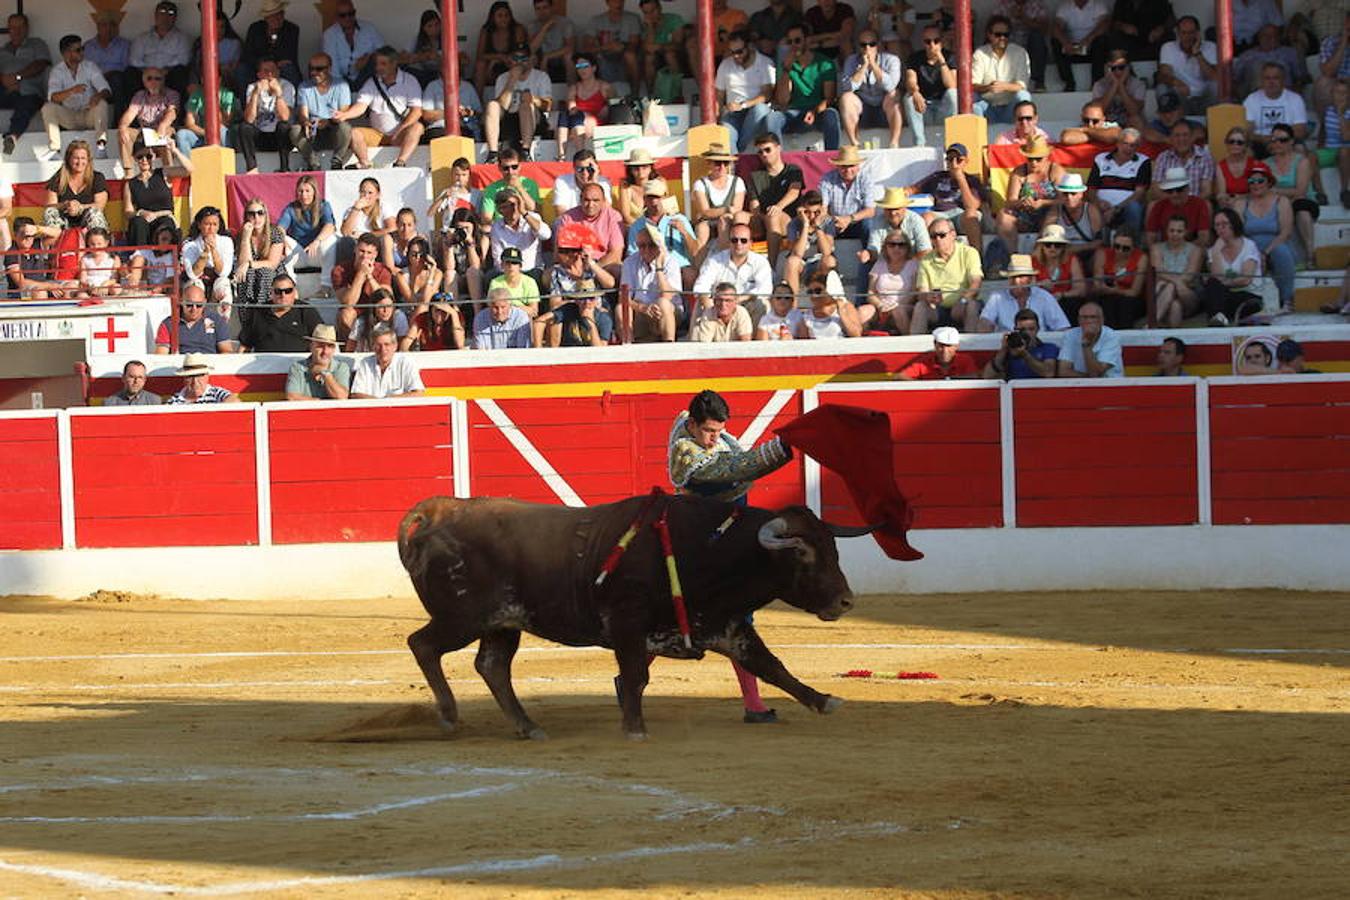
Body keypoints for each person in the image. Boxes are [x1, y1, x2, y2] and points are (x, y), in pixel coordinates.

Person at [665, 389, 795, 724]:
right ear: (693, 425)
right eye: (708, 432)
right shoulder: (685, 451)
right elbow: (732, 469)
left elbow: (736, 456)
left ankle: (753, 704)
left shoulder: (712, 435)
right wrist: (780, 450)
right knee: (681, 618)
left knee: (738, 617)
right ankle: (631, 680)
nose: (713, 439)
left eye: (718, 432)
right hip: (701, 546)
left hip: (730, 541)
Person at [338, 46, 424, 169]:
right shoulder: (371, 82)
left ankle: (400, 162)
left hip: (401, 134)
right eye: (377, 64)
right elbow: (361, 106)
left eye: (383, 64)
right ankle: (364, 162)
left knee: (418, 127)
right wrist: (344, 115)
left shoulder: (410, 81)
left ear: (394, 64)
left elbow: (417, 111)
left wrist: (401, 129)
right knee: (354, 132)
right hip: (378, 135)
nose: (378, 68)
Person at [1231, 162, 1294, 311]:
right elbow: (1237, 232)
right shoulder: (1241, 203)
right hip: (1249, 246)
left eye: (1260, 180)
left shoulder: (1281, 201)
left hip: (1276, 244)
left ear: (1269, 182)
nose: (1255, 184)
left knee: (1281, 252)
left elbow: (1286, 232)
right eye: (1251, 181)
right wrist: (1253, 252)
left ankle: (1287, 299)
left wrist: (1265, 253)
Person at [42, 34, 111, 161]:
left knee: (102, 104)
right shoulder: (57, 71)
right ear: (67, 53)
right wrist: (72, 91)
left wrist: (98, 96)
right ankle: (55, 150)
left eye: (82, 48)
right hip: (70, 116)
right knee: (48, 108)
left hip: (88, 113)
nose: (82, 52)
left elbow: (106, 89)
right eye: (78, 50)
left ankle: (101, 147)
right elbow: (53, 97)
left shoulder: (90, 66)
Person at [774, 24, 842, 150]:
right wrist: (786, 70)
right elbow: (783, 100)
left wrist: (814, 111)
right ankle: (777, 160)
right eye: (790, 42)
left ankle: (832, 156)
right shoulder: (785, 65)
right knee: (772, 118)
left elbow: (829, 98)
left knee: (831, 114)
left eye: (798, 40)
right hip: (794, 113)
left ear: (808, 41)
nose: (794, 45)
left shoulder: (825, 63)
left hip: (818, 112)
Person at [693, 221, 774, 323]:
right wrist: (709, 301)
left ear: (750, 243)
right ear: (729, 242)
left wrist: (740, 299)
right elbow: (700, 287)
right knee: (700, 303)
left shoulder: (761, 262)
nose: (738, 244)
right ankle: (698, 338)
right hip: (719, 305)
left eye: (743, 240)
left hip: (746, 304)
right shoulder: (714, 260)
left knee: (762, 304)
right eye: (734, 240)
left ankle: (753, 339)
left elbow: (765, 290)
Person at [912, 218, 983, 334]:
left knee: (972, 305)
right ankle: (913, 348)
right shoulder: (925, 260)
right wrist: (928, 297)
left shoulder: (969, 253)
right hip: (937, 309)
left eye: (942, 235)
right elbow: (922, 291)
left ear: (953, 235)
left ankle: (972, 347)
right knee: (920, 307)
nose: (938, 239)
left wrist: (963, 300)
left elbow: (976, 282)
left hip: (963, 306)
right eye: (933, 236)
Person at [996, 136, 1064, 256]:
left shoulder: (1056, 171)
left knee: (1054, 213)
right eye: (1030, 159)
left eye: (1038, 159)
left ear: (1046, 157)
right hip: (1026, 216)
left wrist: (1043, 203)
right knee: (1003, 215)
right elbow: (1010, 201)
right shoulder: (1019, 172)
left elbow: (1065, 200)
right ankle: (1014, 256)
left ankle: (1036, 253)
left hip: (1050, 215)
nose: (1033, 163)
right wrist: (1022, 202)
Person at [483, 44, 553, 160]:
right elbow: (502, 105)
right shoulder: (503, 78)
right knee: (492, 105)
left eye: (523, 58)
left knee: (525, 105)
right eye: (516, 58)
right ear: (510, 60)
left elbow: (548, 105)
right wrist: (512, 80)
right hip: (509, 119)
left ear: (530, 60)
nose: (519, 62)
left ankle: (526, 151)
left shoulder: (541, 76)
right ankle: (493, 154)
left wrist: (533, 99)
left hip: (533, 119)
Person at [912, 142, 985, 250]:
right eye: (950, 159)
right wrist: (902, 193)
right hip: (939, 214)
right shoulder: (937, 177)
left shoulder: (972, 180)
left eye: (958, 160)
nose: (954, 164)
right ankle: (928, 256)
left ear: (966, 161)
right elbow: (913, 189)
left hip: (961, 214)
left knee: (971, 214)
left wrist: (960, 178)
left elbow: (973, 206)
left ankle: (977, 257)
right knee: (926, 217)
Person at [746, 131, 804, 266]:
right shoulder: (755, 176)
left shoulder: (793, 170)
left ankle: (771, 266)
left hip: (788, 220)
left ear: (778, 148)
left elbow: (794, 192)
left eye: (767, 150)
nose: (764, 154)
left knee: (773, 216)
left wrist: (778, 207)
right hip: (763, 218)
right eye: (760, 152)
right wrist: (758, 215)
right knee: (739, 217)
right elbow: (754, 204)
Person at [290, 53, 356, 171]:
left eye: (319, 69)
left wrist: (328, 121)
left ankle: (337, 160)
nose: (314, 72)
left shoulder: (341, 85)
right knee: (295, 130)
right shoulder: (304, 87)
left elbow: (343, 113)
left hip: (333, 130)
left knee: (345, 127)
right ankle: (313, 162)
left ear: (329, 68)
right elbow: (302, 113)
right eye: (311, 69)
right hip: (313, 131)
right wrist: (306, 123)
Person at [838, 29, 902, 148]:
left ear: (879, 44)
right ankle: (854, 143)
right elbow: (848, 87)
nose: (867, 48)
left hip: (884, 109)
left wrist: (874, 65)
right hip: (863, 110)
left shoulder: (892, 60)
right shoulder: (851, 60)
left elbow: (890, 86)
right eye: (863, 45)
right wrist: (863, 67)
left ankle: (894, 143)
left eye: (872, 44)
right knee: (846, 98)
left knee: (894, 94)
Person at [716, 31, 778, 153]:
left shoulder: (765, 63)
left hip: (754, 110)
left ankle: (739, 148)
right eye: (732, 52)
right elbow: (719, 95)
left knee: (760, 109)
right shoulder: (725, 64)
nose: (735, 56)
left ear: (749, 47)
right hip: (732, 113)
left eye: (739, 52)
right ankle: (734, 161)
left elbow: (767, 94)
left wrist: (743, 105)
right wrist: (717, 117)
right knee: (726, 131)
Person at [1265, 122, 1320, 258]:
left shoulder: (1302, 161)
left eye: (1282, 140)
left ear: (1291, 142)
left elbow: (1300, 191)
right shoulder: (1265, 163)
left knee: (1301, 208)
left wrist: (1276, 191)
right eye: (1274, 140)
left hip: (1302, 201)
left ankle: (1309, 253)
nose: (1277, 143)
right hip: (1276, 203)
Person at [620, 224, 683, 342]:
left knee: (663, 303)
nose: (647, 250)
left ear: (659, 246)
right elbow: (623, 297)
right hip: (641, 310)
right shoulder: (629, 262)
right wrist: (642, 308)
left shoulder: (671, 262)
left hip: (669, 311)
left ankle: (669, 348)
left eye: (652, 245)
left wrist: (658, 267)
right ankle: (627, 349)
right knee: (621, 308)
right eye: (642, 246)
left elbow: (667, 296)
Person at [233, 198, 287, 332]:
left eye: (260, 213)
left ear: (265, 214)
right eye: (251, 214)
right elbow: (242, 264)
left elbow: (272, 263)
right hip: (251, 276)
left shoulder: (275, 233)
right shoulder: (242, 234)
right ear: (246, 216)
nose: (256, 217)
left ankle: (263, 317)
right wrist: (246, 238)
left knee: (264, 272)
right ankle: (249, 322)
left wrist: (250, 264)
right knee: (247, 274)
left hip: (273, 274)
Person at [977, 253, 1070, 332]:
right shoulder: (997, 297)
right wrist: (985, 324)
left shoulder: (1044, 297)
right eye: (1013, 277)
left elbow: (1062, 328)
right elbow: (984, 323)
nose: (1017, 281)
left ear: (1030, 279)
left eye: (1021, 276)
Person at [1203, 207, 1264, 327]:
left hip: (1249, 295)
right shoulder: (1213, 250)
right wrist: (1216, 251)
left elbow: (1245, 279)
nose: (1220, 228)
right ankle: (1218, 318)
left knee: (1214, 289)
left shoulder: (1249, 245)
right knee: (1212, 284)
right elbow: (1216, 277)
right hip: (1224, 297)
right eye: (1217, 225)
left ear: (1234, 224)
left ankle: (1218, 317)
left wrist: (1223, 283)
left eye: (1224, 224)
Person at [0, 14, 51, 156]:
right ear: (8, 29)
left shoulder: (36, 44)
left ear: (27, 28)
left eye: (20, 27)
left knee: (26, 105)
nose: (16, 31)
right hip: (6, 91)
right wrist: (4, 79)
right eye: (13, 27)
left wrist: (18, 77)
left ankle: (12, 137)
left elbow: (41, 64)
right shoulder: (2, 51)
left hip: (30, 92)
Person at [234, 57, 295, 174]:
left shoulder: (287, 86)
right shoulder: (252, 87)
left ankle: (284, 167)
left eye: (273, 71)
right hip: (261, 134)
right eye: (266, 71)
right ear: (259, 74)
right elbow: (249, 119)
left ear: (278, 72)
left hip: (279, 137)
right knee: (244, 127)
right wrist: (256, 94)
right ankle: (252, 168)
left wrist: (278, 95)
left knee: (284, 126)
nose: (270, 74)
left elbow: (285, 117)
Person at [1087, 128, 1150, 235]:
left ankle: (1132, 243)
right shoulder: (1101, 159)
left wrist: (1116, 209)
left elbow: (1139, 193)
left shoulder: (1143, 161)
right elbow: (1091, 190)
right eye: (1125, 143)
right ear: (1118, 143)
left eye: (1133, 145)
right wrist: (1099, 203)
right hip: (1102, 206)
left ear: (1138, 147)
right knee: (1090, 207)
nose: (1128, 148)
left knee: (1134, 207)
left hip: (1126, 207)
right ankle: (1097, 243)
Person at [903, 25, 956, 149]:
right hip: (923, 107)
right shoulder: (915, 58)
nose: (932, 45)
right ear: (923, 43)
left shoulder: (950, 57)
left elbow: (952, 85)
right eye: (928, 42)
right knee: (909, 97)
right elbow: (910, 81)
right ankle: (919, 144)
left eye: (936, 41)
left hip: (943, 110)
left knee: (953, 94)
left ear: (942, 41)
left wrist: (942, 61)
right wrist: (915, 92)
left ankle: (951, 141)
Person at [558, 182, 625, 281]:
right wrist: (578, 267)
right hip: (575, 265)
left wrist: (593, 267)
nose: (590, 205)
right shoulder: (567, 218)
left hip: (603, 265)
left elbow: (616, 254)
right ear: (580, 199)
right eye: (586, 200)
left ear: (603, 201)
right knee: (548, 276)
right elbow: (560, 254)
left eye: (595, 200)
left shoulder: (613, 216)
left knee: (619, 271)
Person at [971, 16, 1032, 124]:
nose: (1002, 38)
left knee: (1024, 96)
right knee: (972, 99)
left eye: (1006, 35)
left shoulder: (1019, 52)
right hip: (987, 107)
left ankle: (1023, 132)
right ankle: (977, 136)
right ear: (989, 35)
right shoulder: (980, 53)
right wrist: (989, 87)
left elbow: (1022, 85)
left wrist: (1004, 86)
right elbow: (973, 85)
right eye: (998, 35)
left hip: (1011, 109)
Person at [332, 233, 393, 340]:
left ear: (375, 254)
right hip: (355, 310)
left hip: (376, 311)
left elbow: (385, 300)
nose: (365, 256)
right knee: (346, 314)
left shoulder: (383, 270)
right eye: (362, 251)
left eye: (369, 253)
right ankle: (346, 350)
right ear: (355, 249)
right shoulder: (339, 270)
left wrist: (369, 276)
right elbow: (347, 302)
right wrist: (360, 274)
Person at [239, 273, 321, 353]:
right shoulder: (258, 312)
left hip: (298, 364)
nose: (283, 295)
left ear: (295, 291)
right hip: (264, 364)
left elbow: (321, 340)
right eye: (278, 291)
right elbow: (245, 345)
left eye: (288, 291)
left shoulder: (306, 311)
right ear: (271, 292)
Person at [41, 141, 108, 233]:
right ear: (69, 159)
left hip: (87, 222)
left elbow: (99, 206)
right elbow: (49, 206)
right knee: (50, 212)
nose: (80, 162)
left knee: (95, 213)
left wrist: (79, 207)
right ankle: (55, 243)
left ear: (88, 160)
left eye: (83, 158)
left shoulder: (97, 177)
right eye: (76, 158)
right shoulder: (58, 178)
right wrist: (66, 205)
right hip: (63, 221)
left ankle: (97, 245)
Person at [690, 143, 747, 253]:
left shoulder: (737, 181)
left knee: (724, 221)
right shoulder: (700, 183)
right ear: (709, 163)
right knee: (702, 229)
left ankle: (724, 258)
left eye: (725, 163)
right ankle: (699, 265)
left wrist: (724, 212)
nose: (722, 167)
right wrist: (726, 209)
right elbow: (704, 212)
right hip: (708, 222)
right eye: (717, 163)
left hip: (729, 220)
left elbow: (737, 209)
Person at [1243, 63, 1309, 156]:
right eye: (1267, 78)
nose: (1271, 82)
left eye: (1276, 78)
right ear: (1261, 80)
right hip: (1260, 143)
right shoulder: (1251, 99)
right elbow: (1247, 131)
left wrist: (1278, 140)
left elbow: (1300, 131)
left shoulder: (1295, 99)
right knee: (1246, 152)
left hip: (1287, 142)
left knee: (1300, 149)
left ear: (1283, 80)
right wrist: (1263, 139)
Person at [1155, 16, 1217, 115]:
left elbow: (1213, 76)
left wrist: (1197, 54)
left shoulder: (1210, 47)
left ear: (1198, 33)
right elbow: (1163, 75)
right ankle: (1172, 125)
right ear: (1178, 33)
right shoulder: (1168, 47)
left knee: (1216, 86)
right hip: (1181, 97)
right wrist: (1175, 82)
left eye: (1191, 33)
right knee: (1162, 88)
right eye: (1184, 33)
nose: (1187, 37)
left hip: (1205, 98)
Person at [1149, 214, 1202, 326]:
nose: (1175, 234)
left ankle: (1153, 322)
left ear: (1186, 232)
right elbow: (1159, 271)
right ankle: (1172, 337)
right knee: (1175, 306)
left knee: (1170, 286)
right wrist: (1177, 283)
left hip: (1187, 294)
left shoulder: (1195, 250)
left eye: (1179, 231)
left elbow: (1189, 276)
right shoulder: (1156, 248)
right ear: (1166, 231)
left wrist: (1174, 283)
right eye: (1171, 230)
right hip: (1162, 295)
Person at [781, 190, 837, 296]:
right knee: (792, 261)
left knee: (829, 260)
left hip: (819, 264)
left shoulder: (828, 222)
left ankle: (825, 300)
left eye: (816, 212)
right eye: (807, 212)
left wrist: (818, 226)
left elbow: (827, 251)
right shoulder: (794, 224)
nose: (812, 216)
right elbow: (797, 253)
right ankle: (793, 307)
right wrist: (805, 225)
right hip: (802, 265)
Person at [128, 2, 190, 98]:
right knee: (130, 72)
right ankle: (134, 109)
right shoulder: (142, 38)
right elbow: (134, 60)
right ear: (155, 15)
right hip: (145, 74)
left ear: (175, 17)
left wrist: (163, 71)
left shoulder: (181, 38)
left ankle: (176, 109)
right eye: (162, 12)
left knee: (181, 72)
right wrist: (149, 71)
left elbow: (184, 59)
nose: (165, 17)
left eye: (170, 14)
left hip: (169, 74)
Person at [490, 186, 552, 281]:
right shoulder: (496, 227)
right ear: (500, 210)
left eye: (514, 205)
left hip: (532, 270)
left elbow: (546, 235)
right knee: (489, 277)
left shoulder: (532, 218)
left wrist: (524, 212)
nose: (513, 209)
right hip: (507, 271)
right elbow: (497, 258)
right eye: (507, 206)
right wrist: (512, 272)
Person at [278, 175, 337, 275]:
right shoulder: (291, 208)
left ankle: (326, 284)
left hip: (316, 251)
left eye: (307, 191)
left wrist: (317, 241)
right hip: (298, 251)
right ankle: (289, 281)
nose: (304, 195)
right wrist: (282, 239)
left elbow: (330, 226)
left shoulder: (323, 205)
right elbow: (280, 227)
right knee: (280, 239)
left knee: (331, 239)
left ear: (314, 191)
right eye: (301, 191)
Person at [557, 53, 612, 159]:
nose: (582, 70)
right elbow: (571, 108)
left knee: (577, 117)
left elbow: (614, 106)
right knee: (566, 115)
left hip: (596, 122)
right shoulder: (574, 88)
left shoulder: (604, 87)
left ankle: (580, 156)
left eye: (585, 66)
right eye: (578, 67)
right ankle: (561, 156)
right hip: (577, 123)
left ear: (594, 68)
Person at [862, 228, 917, 333]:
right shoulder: (880, 264)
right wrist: (880, 305)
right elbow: (871, 293)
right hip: (881, 307)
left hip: (904, 306)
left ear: (907, 247)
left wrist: (894, 307)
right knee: (862, 312)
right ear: (885, 247)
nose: (896, 248)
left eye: (901, 245)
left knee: (898, 311)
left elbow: (913, 294)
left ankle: (909, 343)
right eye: (892, 245)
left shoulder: (913, 265)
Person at [1091, 228, 1149, 329]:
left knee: (1126, 304)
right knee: (1107, 302)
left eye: (1125, 248)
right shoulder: (1103, 254)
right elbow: (1097, 283)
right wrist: (1105, 288)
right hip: (1106, 295)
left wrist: (1116, 290)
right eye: (1117, 246)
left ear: (1133, 247)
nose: (1120, 251)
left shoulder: (1141, 258)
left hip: (1130, 298)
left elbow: (1135, 291)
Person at [122, 143, 177, 249]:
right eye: (140, 157)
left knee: (165, 224)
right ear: (135, 159)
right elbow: (128, 212)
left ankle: (166, 258)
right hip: (144, 220)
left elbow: (188, 170)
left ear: (154, 157)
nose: (144, 160)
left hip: (163, 216)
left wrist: (175, 150)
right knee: (138, 222)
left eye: (148, 156)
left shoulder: (163, 173)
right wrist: (140, 213)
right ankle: (140, 258)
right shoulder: (130, 183)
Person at [818, 144, 875, 241]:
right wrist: (836, 221)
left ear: (858, 166)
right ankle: (826, 254)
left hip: (856, 222)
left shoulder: (866, 179)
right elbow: (823, 208)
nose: (848, 170)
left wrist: (848, 219)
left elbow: (870, 211)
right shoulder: (827, 179)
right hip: (834, 222)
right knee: (823, 223)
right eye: (844, 166)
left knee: (868, 223)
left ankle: (868, 253)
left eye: (851, 166)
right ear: (837, 166)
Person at [322, 1, 385, 89]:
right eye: (343, 15)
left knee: (376, 60)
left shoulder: (369, 28)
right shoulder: (329, 35)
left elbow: (384, 53)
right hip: (343, 79)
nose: (347, 18)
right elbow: (334, 70)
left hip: (368, 78)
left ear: (355, 12)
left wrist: (368, 58)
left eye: (351, 14)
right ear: (336, 17)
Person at [154, 283, 232, 354]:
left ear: (204, 302)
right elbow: (161, 355)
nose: (194, 309)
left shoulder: (217, 320)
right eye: (189, 305)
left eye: (198, 305)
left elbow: (226, 352)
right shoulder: (168, 324)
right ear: (181, 301)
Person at [1145, 166, 1212, 248]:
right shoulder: (1159, 206)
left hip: (1192, 250)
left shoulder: (1200, 204)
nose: (1174, 194)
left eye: (1179, 189)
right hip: (1165, 250)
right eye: (1170, 191)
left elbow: (1204, 238)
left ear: (1188, 188)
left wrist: (1182, 250)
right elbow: (1150, 237)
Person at [350, 325, 425, 398]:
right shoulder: (365, 363)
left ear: (395, 346)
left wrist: (390, 400)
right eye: (378, 345)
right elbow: (356, 394)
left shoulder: (405, 363)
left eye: (387, 344)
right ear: (373, 347)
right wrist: (380, 404)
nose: (383, 349)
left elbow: (418, 393)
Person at [983, 308, 1060, 379]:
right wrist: (1003, 349)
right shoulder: (1009, 349)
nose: (1027, 333)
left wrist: (1024, 354)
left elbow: (1048, 373)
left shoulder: (1049, 348)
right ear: (1016, 329)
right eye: (1022, 330)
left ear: (1038, 329)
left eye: (1031, 329)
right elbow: (987, 376)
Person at [1236, 23, 1308, 97]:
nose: (1270, 38)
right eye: (1265, 36)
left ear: (1279, 38)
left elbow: (1301, 77)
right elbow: (1235, 79)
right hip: (1254, 95)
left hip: (1285, 94)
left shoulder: (1290, 53)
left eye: (1274, 36)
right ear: (1259, 37)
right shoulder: (1247, 56)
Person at [1150, 119, 1214, 201]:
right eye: (1177, 135)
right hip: (1169, 203)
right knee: (1152, 206)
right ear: (1171, 138)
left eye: (1185, 135)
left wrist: (1187, 204)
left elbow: (1206, 191)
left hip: (1196, 203)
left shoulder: (1205, 157)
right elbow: (1156, 190)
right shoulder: (1163, 157)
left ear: (1192, 137)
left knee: (1207, 205)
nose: (1181, 139)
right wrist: (1175, 201)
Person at [240, 0, 301, 87]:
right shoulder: (255, 28)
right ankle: (245, 100)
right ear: (266, 18)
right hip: (258, 66)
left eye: (279, 14)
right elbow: (247, 54)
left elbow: (288, 57)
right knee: (242, 69)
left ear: (283, 14)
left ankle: (290, 99)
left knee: (288, 69)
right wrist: (262, 65)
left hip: (280, 68)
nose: (276, 18)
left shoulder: (292, 29)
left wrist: (273, 64)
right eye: (272, 15)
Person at [1051, 0, 1110, 90]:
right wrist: (1065, 43)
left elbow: (1105, 25)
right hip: (1071, 49)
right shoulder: (1065, 7)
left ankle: (1096, 83)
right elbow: (1056, 27)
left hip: (1091, 49)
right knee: (1055, 41)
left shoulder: (1098, 5)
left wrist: (1088, 40)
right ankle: (1069, 82)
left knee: (1101, 41)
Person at [1032, 223, 1088, 317]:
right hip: (1040, 299)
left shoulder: (1071, 260)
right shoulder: (1032, 261)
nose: (1052, 248)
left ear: (1064, 247)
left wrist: (1062, 294)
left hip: (1065, 300)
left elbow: (1080, 288)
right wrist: (1040, 285)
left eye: (1057, 245)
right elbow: (1029, 287)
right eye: (1048, 244)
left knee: (1071, 304)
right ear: (1042, 246)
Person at [175, 73, 238, 156]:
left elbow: (227, 121)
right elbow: (190, 123)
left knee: (221, 130)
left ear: (219, 80)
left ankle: (225, 163)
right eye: (205, 78)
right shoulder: (196, 95)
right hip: (202, 135)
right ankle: (189, 166)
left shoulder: (227, 94)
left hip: (225, 136)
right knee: (181, 134)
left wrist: (215, 101)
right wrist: (206, 134)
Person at [1056, 300, 1123, 377]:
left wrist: (1086, 344)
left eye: (1093, 317)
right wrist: (1086, 377)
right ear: (1079, 320)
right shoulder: (1070, 335)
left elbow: (1095, 373)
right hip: (1080, 384)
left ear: (1102, 320)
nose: (1089, 321)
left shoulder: (1111, 336)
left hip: (1111, 384)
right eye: (1084, 317)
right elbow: (1063, 372)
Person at [84, 10, 132, 117]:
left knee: (117, 78)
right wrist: (100, 78)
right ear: (98, 26)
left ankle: (118, 120)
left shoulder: (124, 45)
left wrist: (109, 75)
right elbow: (85, 70)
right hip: (95, 84)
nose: (109, 28)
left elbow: (127, 69)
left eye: (113, 25)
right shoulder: (88, 46)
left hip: (116, 84)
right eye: (104, 24)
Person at [476, 1, 530, 95]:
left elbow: (520, 52)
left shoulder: (517, 29)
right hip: (492, 68)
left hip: (512, 63)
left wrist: (505, 59)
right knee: (480, 65)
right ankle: (478, 102)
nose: (504, 19)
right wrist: (498, 57)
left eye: (506, 15)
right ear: (493, 17)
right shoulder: (486, 30)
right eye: (500, 16)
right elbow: (480, 55)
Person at [284, 324, 351, 401]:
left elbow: (341, 397)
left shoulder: (341, 367)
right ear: (311, 346)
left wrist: (325, 374)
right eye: (320, 346)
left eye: (330, 346)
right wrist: (318, 403)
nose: (325, 351)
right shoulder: (297, 367)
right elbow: (292, 397)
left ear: (334, 349)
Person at [583, 0, 642, 87]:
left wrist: (623, 46)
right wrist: (605, 47)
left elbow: (635, 43)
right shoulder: (596, 20)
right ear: (607, 2)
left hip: (624, 54)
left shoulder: (633, 18)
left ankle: (635, 94)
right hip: (603, 54)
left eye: (620, 1)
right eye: (614, 1)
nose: (618, 3)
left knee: (631, 55)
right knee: (598, 59)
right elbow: (586, 47)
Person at [533, 284, 613, 347]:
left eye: (591, 298)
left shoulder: (604, 318)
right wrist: (539, 350)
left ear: (596, 301)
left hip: (590, 357)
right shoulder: (569, 309)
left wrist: (590, 323)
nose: (586, 302)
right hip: (568, 353)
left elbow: (600, 350)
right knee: (555, 322)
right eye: (582, 299)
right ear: (576, 301)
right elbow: (539, 321)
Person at [1050, 173, 1103, 261]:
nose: (1069, 197)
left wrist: (1075, 249)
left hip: (1086, 256)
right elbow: (1044, 235)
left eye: (1073, 193)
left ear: (1081, 194)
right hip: (1060, 256)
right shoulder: (1055, 211)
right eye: (1065, 194)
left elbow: (1099, 241)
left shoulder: (1090, 210)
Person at [478, 147, 541, 221]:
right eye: (506, 168)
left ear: (520, 166)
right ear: (500, 168)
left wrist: (519, 187)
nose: (510, 172)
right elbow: (487, 217)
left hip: (526, 225)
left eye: (514, 167)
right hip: (502, 227)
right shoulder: (491, 189)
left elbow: (533, 209)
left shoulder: (530, 184)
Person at [552, 149, 614, 221]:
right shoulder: (562, 181)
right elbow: (561, 213)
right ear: (574, 168)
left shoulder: (603, 182)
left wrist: (593, 184)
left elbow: (607, 212)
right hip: (570, 224)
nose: (585, 173)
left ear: (596, 168)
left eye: (589, 169)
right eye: (580, 169)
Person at [895, 326, 978, 379]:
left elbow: (974, 378)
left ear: (956, 346)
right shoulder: (925, 361)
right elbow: (900, 376)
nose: (945, 351)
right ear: (935, 345)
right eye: (941, 346)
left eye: (949, 346)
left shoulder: (965, 360)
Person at [796, 269, 861, 338]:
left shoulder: (847, 307)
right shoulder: (807, 316)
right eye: (810, 292)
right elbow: (803, 342)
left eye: (818, 291)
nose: (814, 295)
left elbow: (856, 334)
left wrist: (842, 313)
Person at [1107, 0, 1175, 61]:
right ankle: (1120, 70)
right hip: (1129, 40)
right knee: (1114, 37)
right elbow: (1114, 23)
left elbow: (1171, 20)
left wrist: (1161, 29)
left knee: (1169, 37)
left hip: (1153, 39)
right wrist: (1123, 26)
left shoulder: (1159, 2)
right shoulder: (1121, 2)